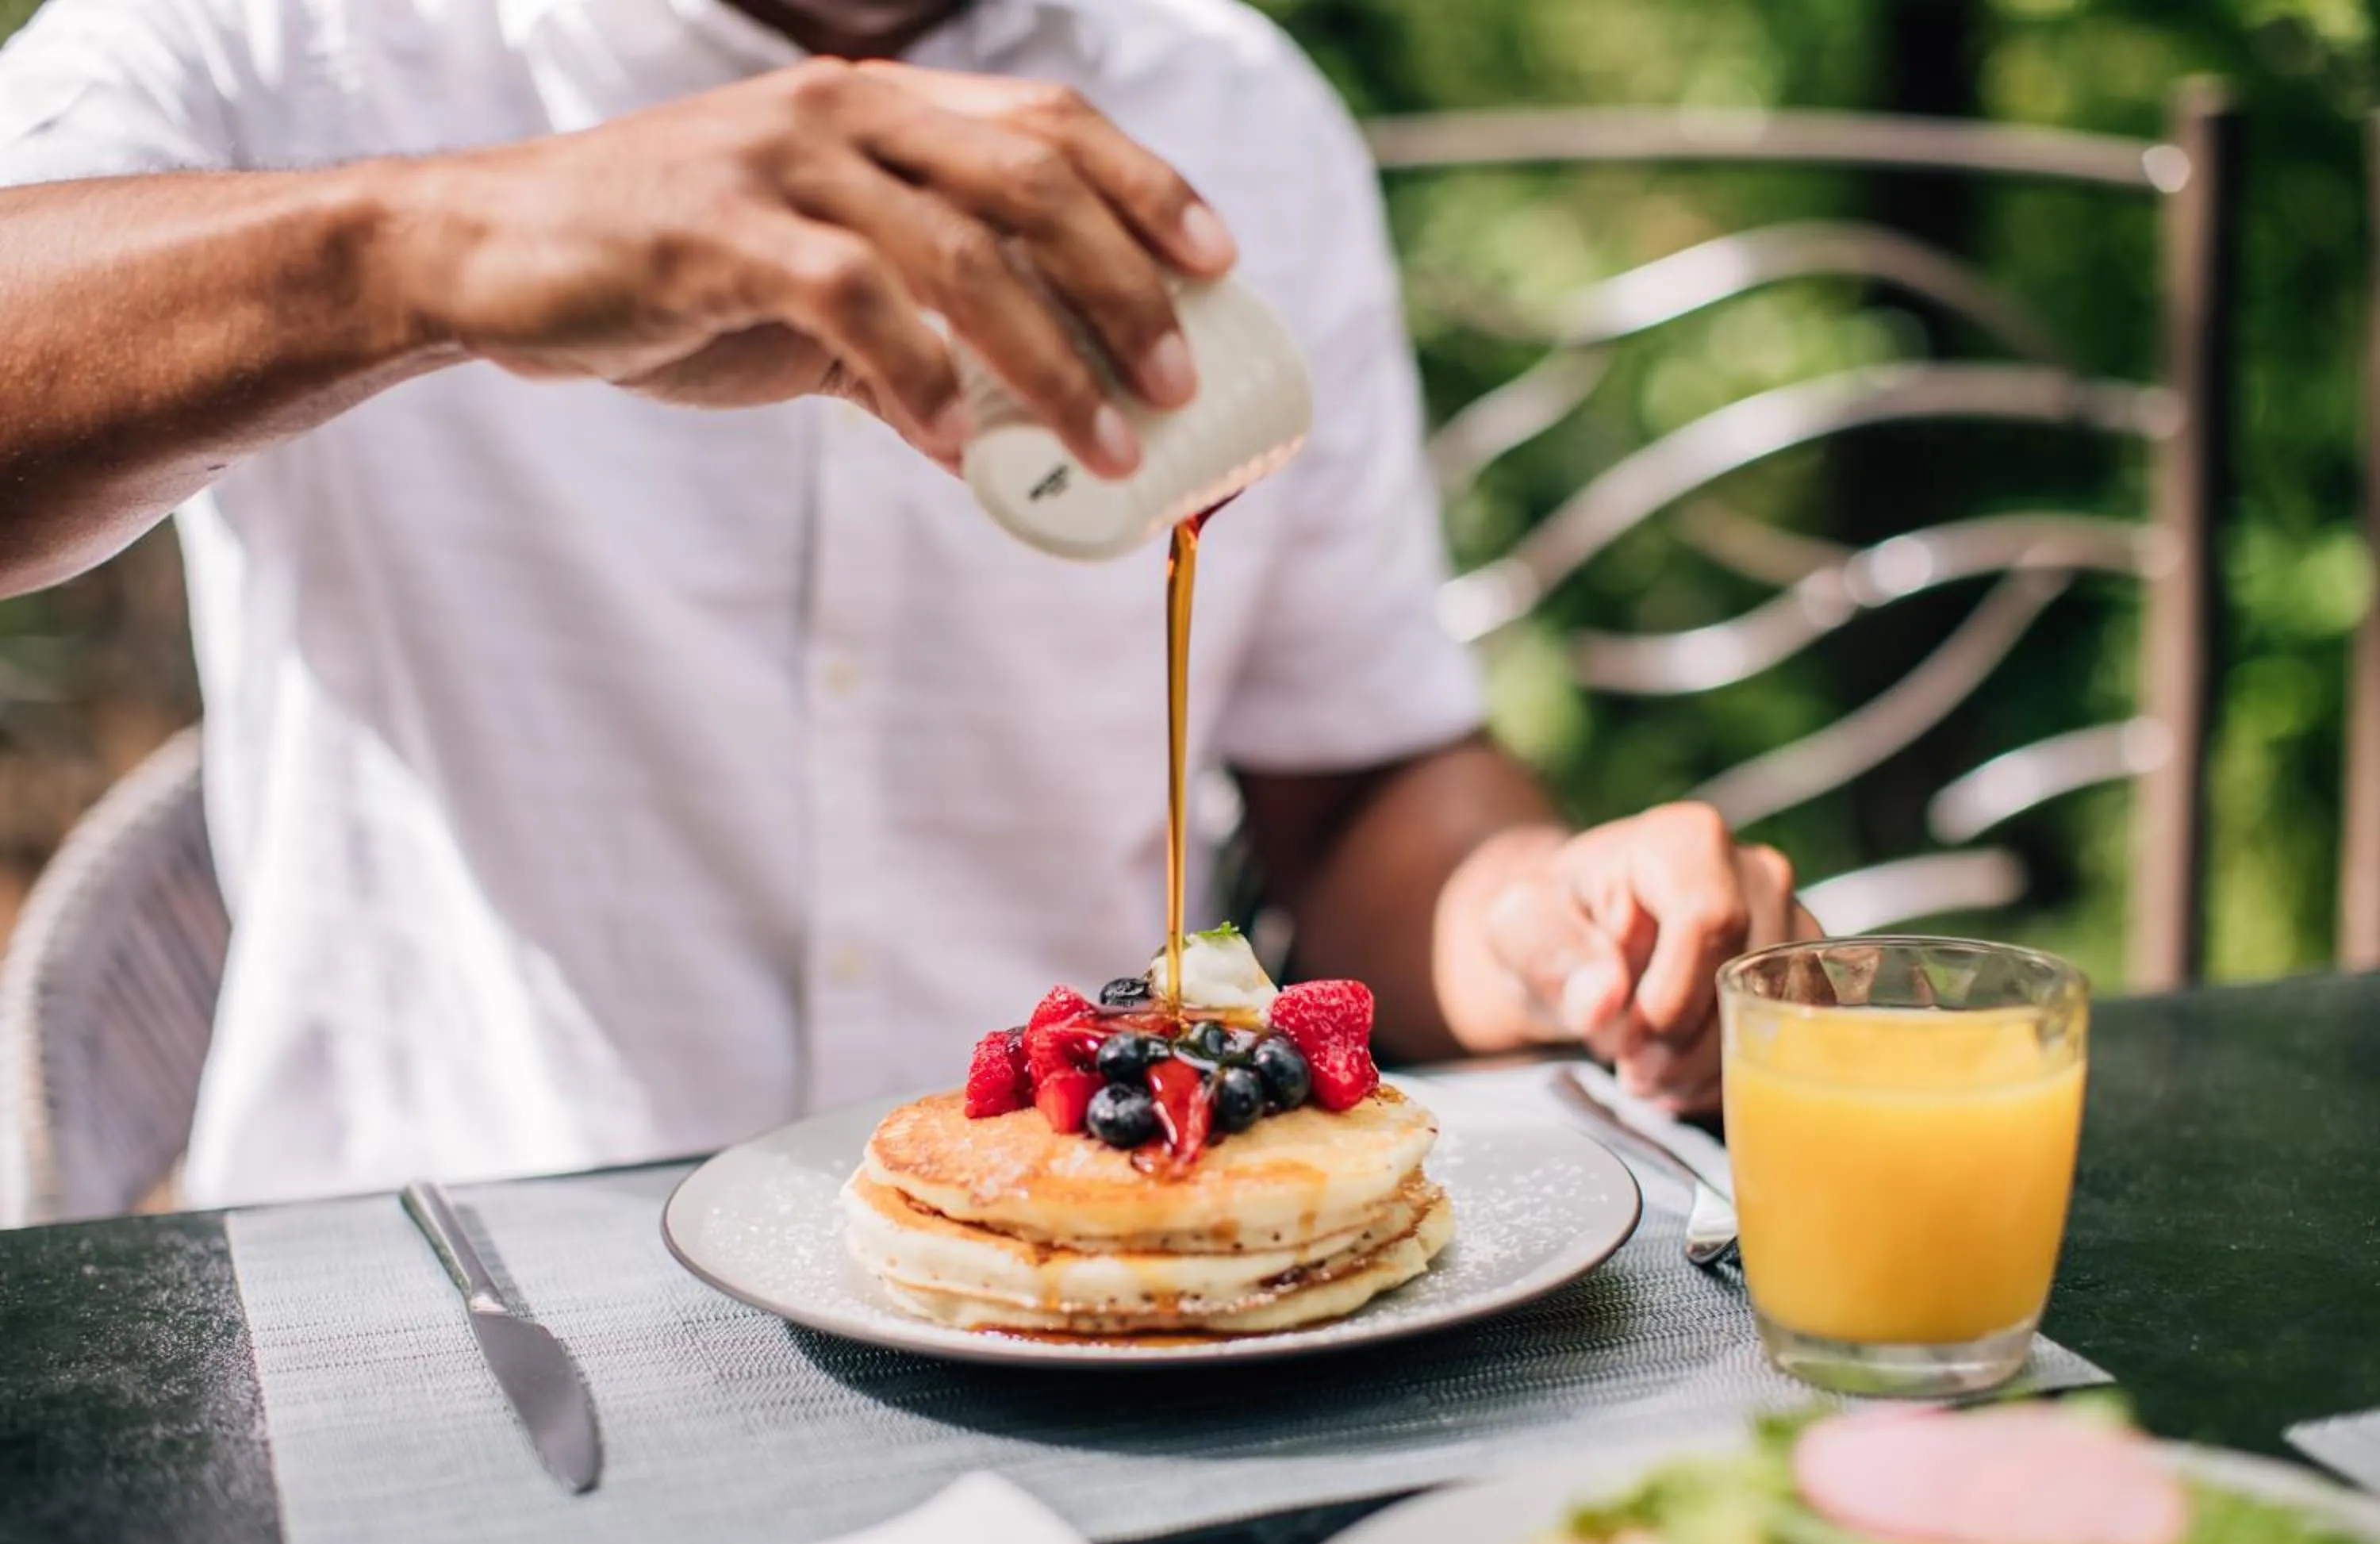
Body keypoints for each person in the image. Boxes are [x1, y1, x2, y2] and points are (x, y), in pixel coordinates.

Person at [0, 0, 1820, 1206]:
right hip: (453, 1317)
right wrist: (434, 249)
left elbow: (1357, 799)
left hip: (1101, 1310)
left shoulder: (1237, 109)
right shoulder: (277, 39)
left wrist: (1536, 923)